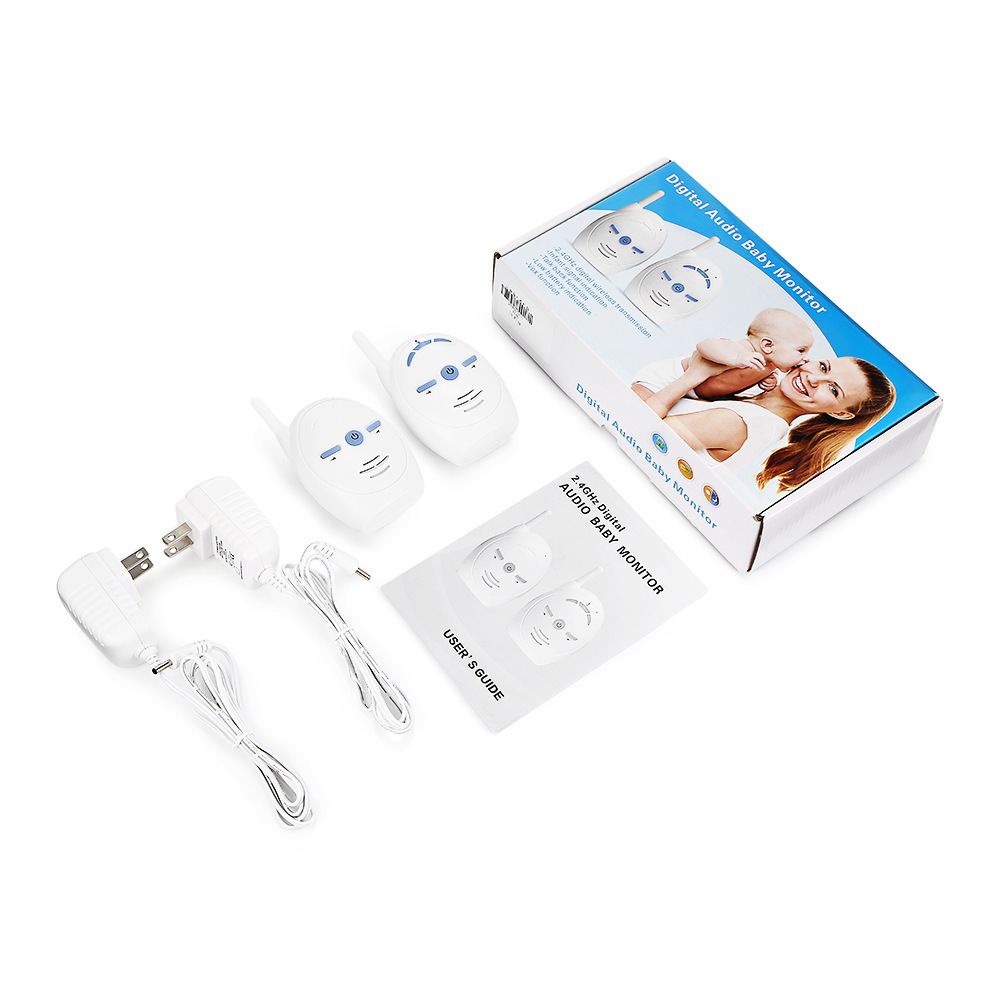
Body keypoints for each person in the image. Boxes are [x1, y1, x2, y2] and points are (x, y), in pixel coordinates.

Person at [635, 351, 895, 491]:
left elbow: (638, 429)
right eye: (824, 367)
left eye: (834, 390)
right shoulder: (750, 396)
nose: (814, 378)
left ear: (840, 413)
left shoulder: (742, 422)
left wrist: (695, 374)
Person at [631, 308, 813, 401]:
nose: (806, 358)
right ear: (767, 345)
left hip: (694, 395)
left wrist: (766, 383)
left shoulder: (769, 367)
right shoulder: (742, 350)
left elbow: (739, 382)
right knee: (637, 401)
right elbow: (704, 345)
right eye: (801, 350)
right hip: (671, 376)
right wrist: (736, 358)